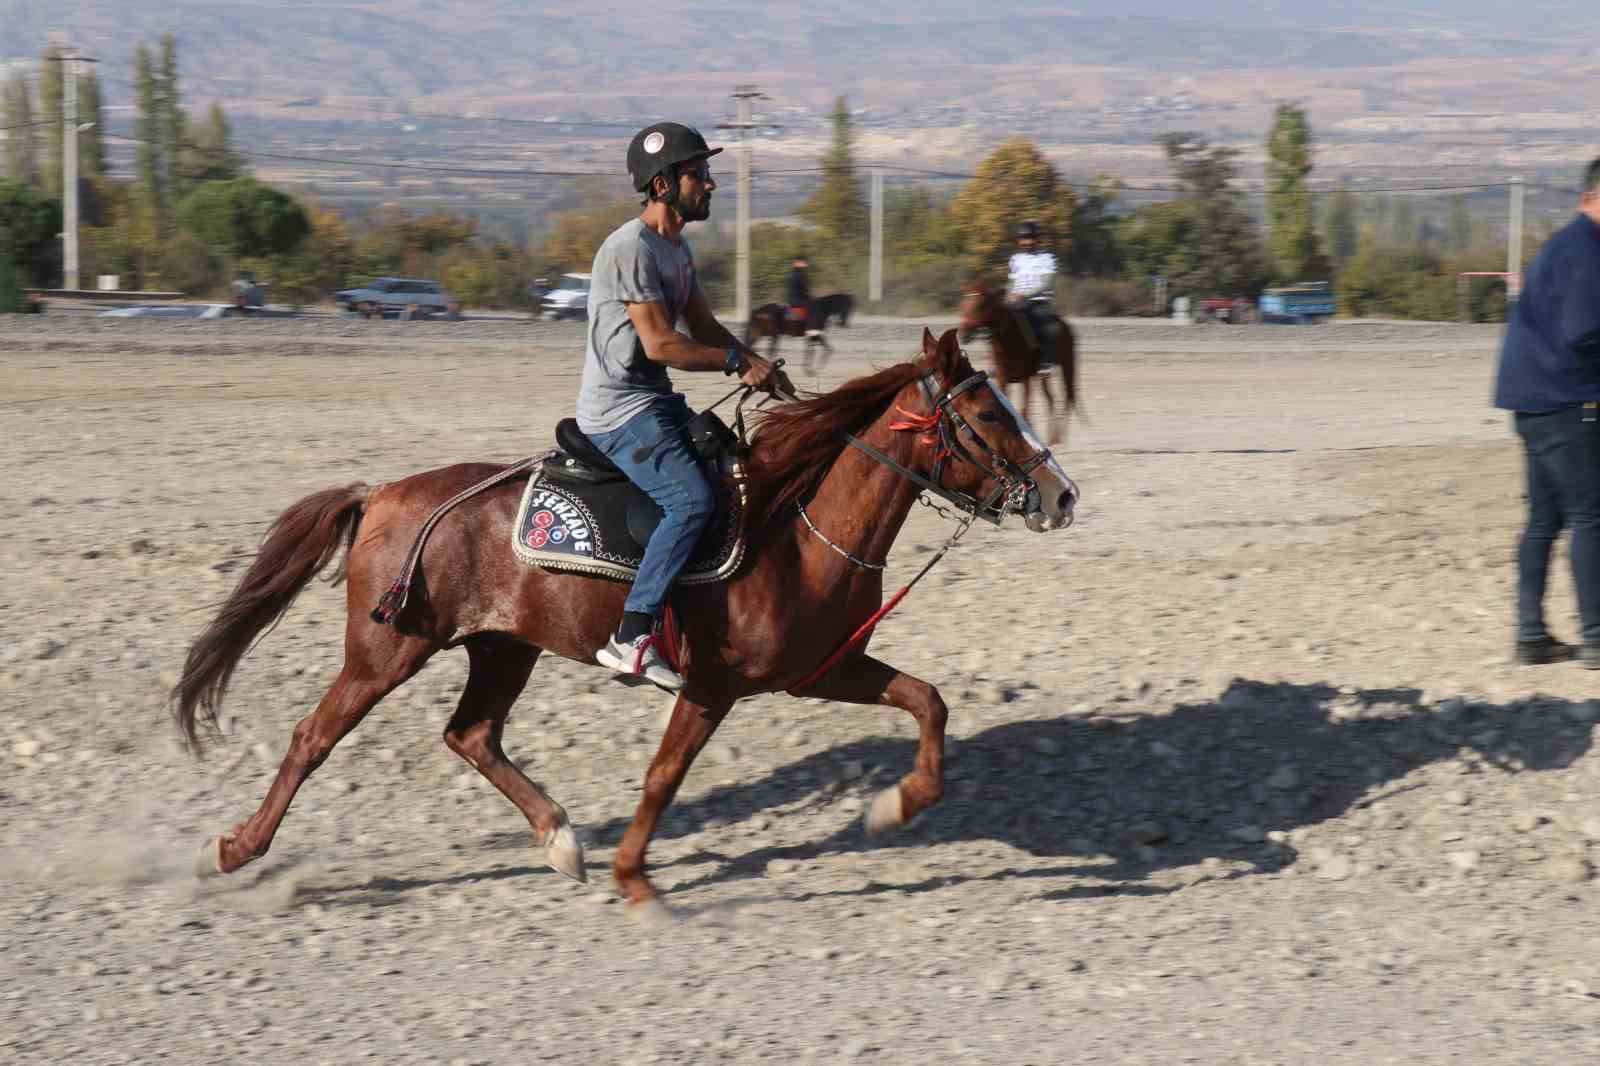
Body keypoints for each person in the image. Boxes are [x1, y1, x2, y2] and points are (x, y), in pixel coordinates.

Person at [578, 121, 790, 691]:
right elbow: (661, 344)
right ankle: (632, 634)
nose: (711, 184)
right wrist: (733, 365)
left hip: (657, 403)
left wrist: (757, 364)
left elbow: (703, 326)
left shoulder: (676, 247)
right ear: (664, 184)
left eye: (707, 172)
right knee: (691, 500)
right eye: (700, 174)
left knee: (739, 473)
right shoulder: (630, 249)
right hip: (618, 413)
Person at [1492, 155, 1600, 668]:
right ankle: (1597, 637)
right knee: (1592, 516)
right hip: (1566, 400)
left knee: (1544, 519)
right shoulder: (1586, 251)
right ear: (1589, 200)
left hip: (1531, 399)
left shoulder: (1565, 246)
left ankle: (1531, 636)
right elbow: (1586, 332)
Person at [1006, 221, 1060, 363]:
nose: (1026, 242)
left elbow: (1045, 283)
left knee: (1047, 326)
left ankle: (1045, 360)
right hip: (1016, 302)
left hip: (1038, 302)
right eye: (1022, 239)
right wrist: (1009, 295)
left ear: (1037, 239)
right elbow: (1011, 282)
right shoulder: (1015, 259)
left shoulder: (1047, 258)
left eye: (1030, 238)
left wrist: (1024, 295)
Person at [785, 255, 817, 337]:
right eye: (804, 263)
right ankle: (809, 328)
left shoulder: (789, 274)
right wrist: (808, 295)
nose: (805, 265)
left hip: (790, 298)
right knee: (813, 308)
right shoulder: (801, 275)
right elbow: (804, 287)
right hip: (798, 298)